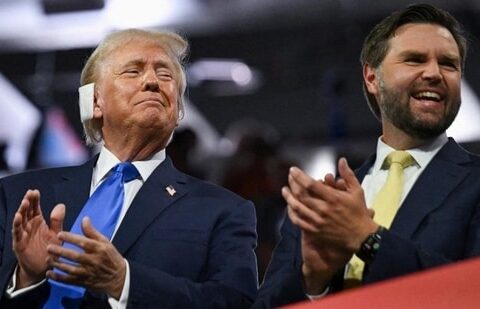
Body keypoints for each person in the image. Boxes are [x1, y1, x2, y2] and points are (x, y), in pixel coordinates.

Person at [0, 29, 258, 308]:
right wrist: (25, 278)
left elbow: (236, 303)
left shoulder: (223, 211)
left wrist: (125, 282)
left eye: (165, 75)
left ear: (178, 110)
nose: (152, 82)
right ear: (96, 102)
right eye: (133, 71)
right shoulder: (18, 196)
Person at [254, 3, 480, 307]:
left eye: (449, 64)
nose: (435, 73)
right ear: (372, 78)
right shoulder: (323, 207)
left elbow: (469, 291)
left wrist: (367, 240)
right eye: (414, 60)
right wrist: (313, 280)